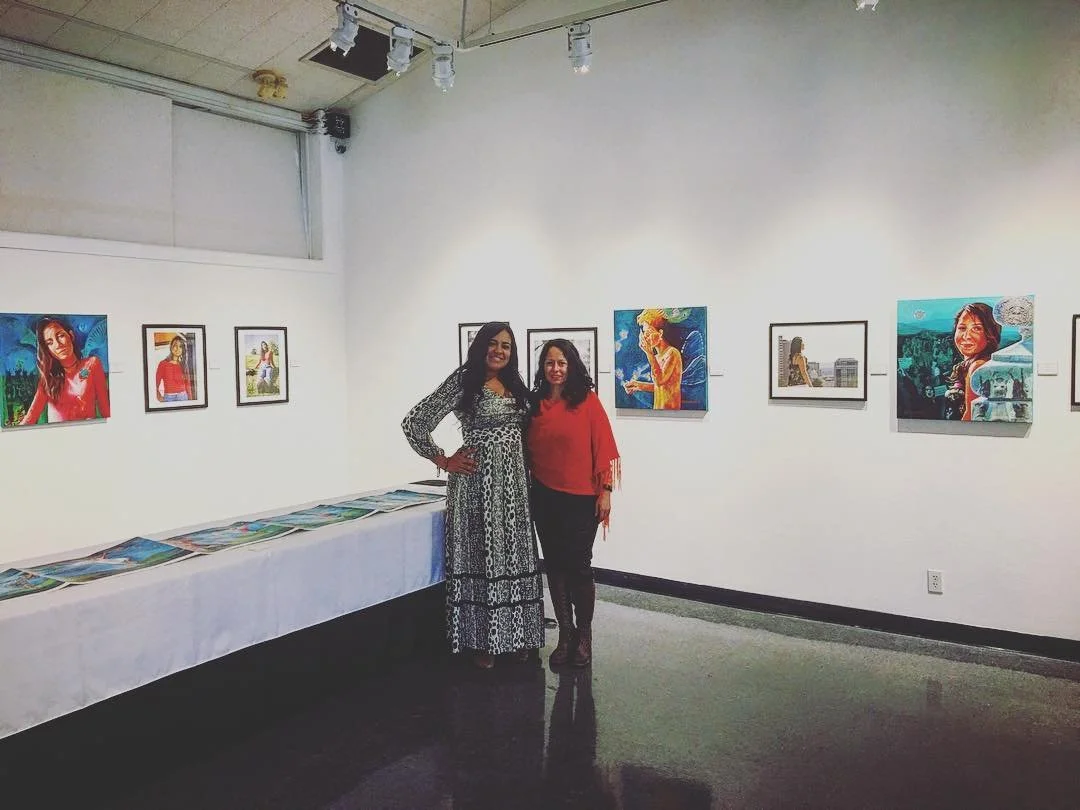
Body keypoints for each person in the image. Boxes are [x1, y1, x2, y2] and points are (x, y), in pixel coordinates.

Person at [402, 321, 543, 669]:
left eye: (506, 346)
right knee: (482, 557)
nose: (499, 350)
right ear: (480, 346)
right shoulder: (463, 381)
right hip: (477, 486)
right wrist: (443, 459)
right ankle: (482, 641)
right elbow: (414, 421)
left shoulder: (514, 383)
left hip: (513, 489)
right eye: (493, 344)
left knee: (515, 556)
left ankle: (517, 637)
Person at [527, 339, 620, 667]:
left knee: (579, 566)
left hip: (582, 499)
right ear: (543, 367)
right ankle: (564, 634)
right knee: (554, 566)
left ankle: (584, 635)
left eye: (561, 363)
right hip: (544, 497)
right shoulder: (534, 404)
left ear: (572, 366)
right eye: (550, 363)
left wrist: (606, 490)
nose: (555, 369)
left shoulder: (587, 402)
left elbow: (604, 448)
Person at [18, 316, 110, 426]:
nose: (58, 345)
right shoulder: (48, 379)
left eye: (60, 336)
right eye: (49, 343)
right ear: (47, 350)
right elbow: (30, 418)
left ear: (71, 335)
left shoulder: (92, 364)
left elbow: (106, 410)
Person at [944, 302, 1001, 421]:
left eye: (976, 328)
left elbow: (970, 416)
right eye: (962, 328)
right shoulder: (973, 364)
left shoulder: (977, 366)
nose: (966, 336)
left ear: (990, 334)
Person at [621, 308, 683, 409]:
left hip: (670, 410)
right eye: (644, 333)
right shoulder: (657, 357)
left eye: (649, 332)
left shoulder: (672, 353)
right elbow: (660, 387)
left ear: (660, 333)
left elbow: (659, 381)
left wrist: (649, 353)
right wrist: (638, 385)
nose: (646, 337)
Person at [155, 335, 193, 402]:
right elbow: (155, 383)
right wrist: (159, 397)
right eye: (175, 345)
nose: (178, 349)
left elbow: (188, 384)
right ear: (171, 347)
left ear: (183, 349)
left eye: (180, 347)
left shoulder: (184, 364)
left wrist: (190, 400)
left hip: (183, 396)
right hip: (169, 397)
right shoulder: (163, 364)